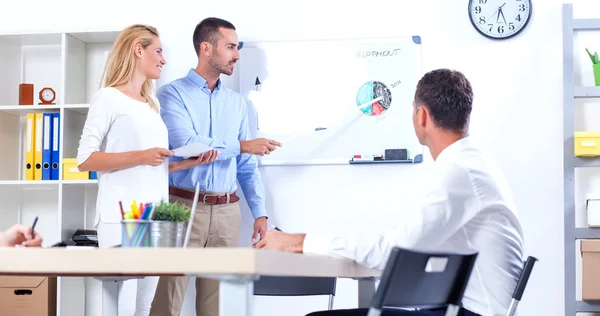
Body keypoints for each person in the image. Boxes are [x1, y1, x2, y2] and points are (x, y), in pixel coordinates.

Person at [256, 69, 525, 316]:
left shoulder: (459, 172)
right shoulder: (472, 164)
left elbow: (395, 252)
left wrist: (298, 241)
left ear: (421, 116)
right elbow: (410, 241)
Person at [76, 24, 217, 316]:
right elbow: (85, 159)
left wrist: (184, 163)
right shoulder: (108, 98)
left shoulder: (150, 105)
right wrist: (142, 155)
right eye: (158, 51)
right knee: (127, 300)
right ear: (138, 50)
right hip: (122, 215)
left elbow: (151, 166)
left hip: (154, 215)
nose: (164, 60)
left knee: (145, 304)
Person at [149, 17, 281, 316]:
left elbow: (247, 165)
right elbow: (188, 144)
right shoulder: (171, 94)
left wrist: (259, 212)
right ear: (206, 48)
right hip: (180, 205)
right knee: (167, 299)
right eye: (231, 47)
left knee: (216, 304)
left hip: (226, 211)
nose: (237, 54)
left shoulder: (237, 104)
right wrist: (243, 145)